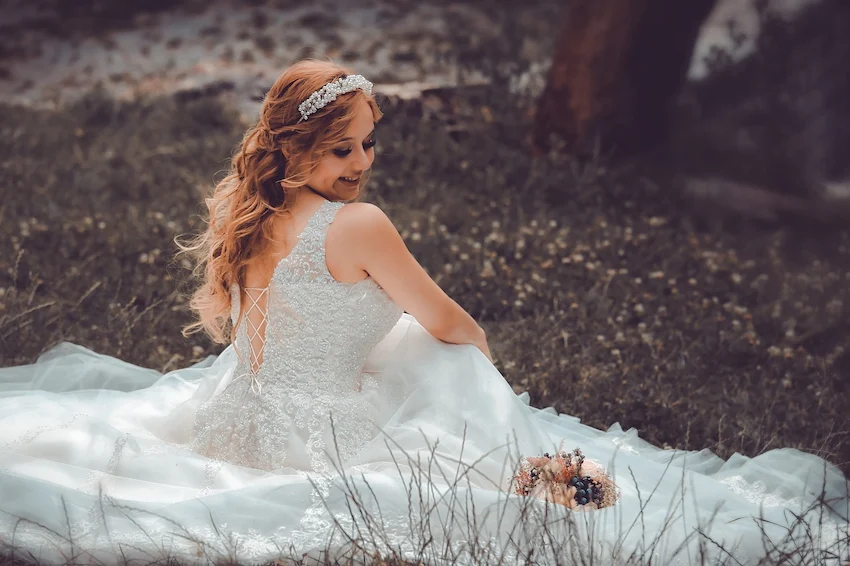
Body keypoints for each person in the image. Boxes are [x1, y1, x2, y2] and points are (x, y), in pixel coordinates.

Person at [0, 59, 847, 566]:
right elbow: (451, 322)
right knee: (448, 354)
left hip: (232, 415)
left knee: (410, 352)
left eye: (369, 142)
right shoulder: (358, 226)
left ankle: (535, 465)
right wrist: (486, 388)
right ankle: (534, 464)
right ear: (294, 149)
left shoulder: (253, 212)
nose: (362, 162)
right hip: (314, 435)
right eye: (341, 148)